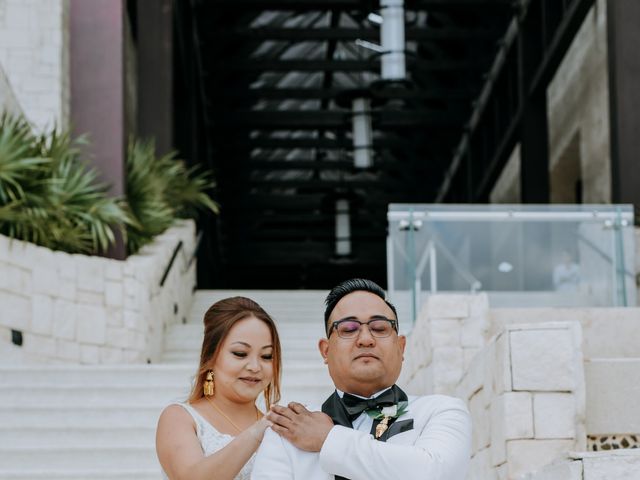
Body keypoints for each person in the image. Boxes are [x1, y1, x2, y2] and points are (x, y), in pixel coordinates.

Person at [251, 278, 471, 480]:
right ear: (325, 351)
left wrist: (328, 438)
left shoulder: (442, 411)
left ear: (401, 347)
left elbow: (434, 473)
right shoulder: (287, 429)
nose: (366, 339)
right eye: (348, 328)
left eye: (379, 327)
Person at [156, 296, 282, 480]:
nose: (255, 366)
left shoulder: (278, 427)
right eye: (240, 354)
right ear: (210, 358)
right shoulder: (179, 418)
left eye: (266, 356)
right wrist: (256, 433)